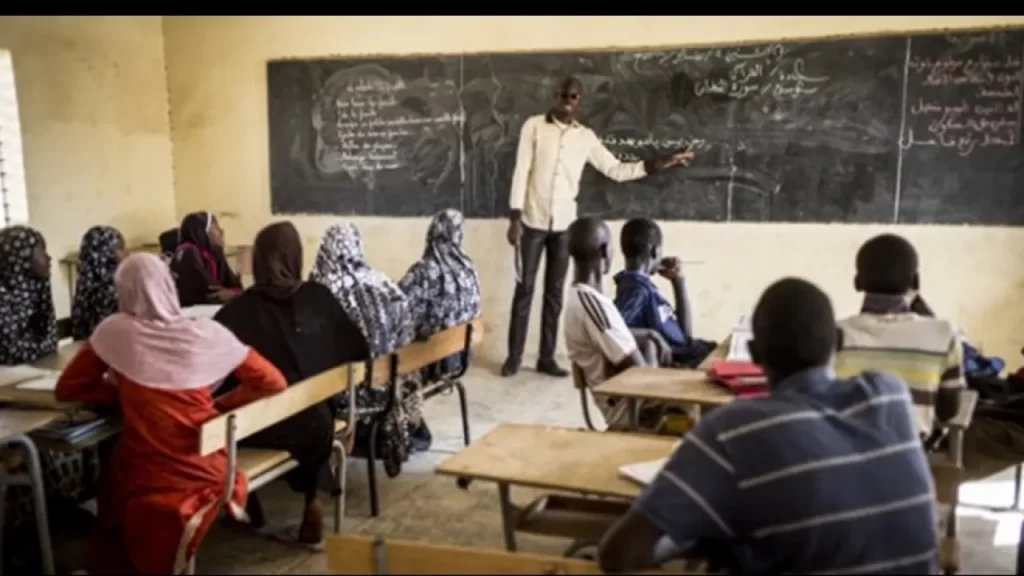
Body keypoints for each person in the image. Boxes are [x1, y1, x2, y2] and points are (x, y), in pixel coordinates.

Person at [599, 277, 939, 575]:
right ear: (836, 343)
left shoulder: (732, 429)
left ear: (753, 354)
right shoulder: (888, 395)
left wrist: (696, 535)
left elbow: (618, 554)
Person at [55, 253, 288, 574]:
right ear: (168, 286)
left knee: (112, 475)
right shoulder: (206, 334)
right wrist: (219, 406)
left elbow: (68, 389)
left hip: (146, 472)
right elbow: (272, 381)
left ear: (123, 291)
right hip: (206, 469)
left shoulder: (115, 333)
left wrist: (127, 393)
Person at [502, 75, 695, 378]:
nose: (567, 99)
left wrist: (661, 162)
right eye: (563, 94)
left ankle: (546, 357)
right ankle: (513, 356)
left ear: (579, 101)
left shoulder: (585, 138)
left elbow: (615, 170)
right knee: (524, 288)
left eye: (574, 96)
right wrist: (515, 218)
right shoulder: (534, 127)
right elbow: (520, 171)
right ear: (555, 95)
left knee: (555, 293)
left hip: (565, 225)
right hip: (532, 221)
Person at [214, 221, 370, 548]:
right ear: (297, 256)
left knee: (221, 414)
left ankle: (248, 503)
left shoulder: (237, 311)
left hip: (252, 427)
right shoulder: (320, 298)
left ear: (257, 261)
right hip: (315, 426)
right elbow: (358, 351)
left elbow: (215, 375)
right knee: (313, 409)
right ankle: (312, 499)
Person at [832, 233, 964, 441]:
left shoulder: (834, 334)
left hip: (843, 451)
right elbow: (948, 410)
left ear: (857, 282)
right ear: (915, 282)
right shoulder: (943, 334)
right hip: (911, 455)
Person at [310, 222, 421, 465]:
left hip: (348, 396)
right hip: (391, 391)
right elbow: (407, 337)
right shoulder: (384, 282)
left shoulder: (322, 290)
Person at [563, 216, 661, 430]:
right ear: (605, 251)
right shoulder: (593, 305)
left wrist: (650, 336)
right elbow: (641, 375)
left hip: (633, 402)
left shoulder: (583, 298)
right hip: (632, 412)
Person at [613, 218, 715, 368]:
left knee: (719, 350)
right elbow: (615, 330)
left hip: (689, 352)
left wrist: (678, 281)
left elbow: (685, 336)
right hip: (679, 364)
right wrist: (651, 335)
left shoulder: (641, 285)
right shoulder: (636, 290)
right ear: (655, 251)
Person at [398, 208, 481, 376]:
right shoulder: (469, 269)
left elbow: (398, 308)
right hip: (461, 355)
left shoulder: (424, 271)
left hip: (432, 359)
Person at [0, 225, 58, 364]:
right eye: (41, 250)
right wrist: (42, 347)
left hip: (35, 369)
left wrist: (38, 348)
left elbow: (51, 339)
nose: (49, 257)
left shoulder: (38, 289)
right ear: (20, 254)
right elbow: (11, 352)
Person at [170, 211, 243, 306]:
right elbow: (204, 292)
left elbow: (236, 286)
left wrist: (232, 293)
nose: (221, 232)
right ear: (203, 231)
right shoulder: (188, 251)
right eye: (216, 227)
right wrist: (227, 294)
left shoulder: (215, 254)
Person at [71, 225, 127, 340]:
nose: (126, 253)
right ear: (105, 252)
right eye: (120, 248)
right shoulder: (113, 290)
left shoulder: (85, 282)